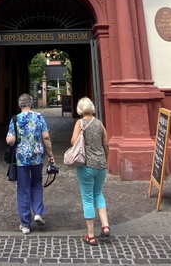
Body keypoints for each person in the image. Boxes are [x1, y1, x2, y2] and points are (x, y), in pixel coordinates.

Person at [6, 93, 55, 234]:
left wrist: (13, 140)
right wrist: (50, 155)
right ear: (31, 103)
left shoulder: (15, 119)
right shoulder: (39, 117)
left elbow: (10, 140)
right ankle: (38, 212)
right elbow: (45, 137)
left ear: (19, 104)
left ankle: (26, 224)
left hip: (22, 157)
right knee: (37, 183)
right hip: (37, 156)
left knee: (23, 188)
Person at [71, 96, 110, 246]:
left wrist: (81, 135)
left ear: (80, 109)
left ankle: (91, 235)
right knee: (98, 194)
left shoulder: (80, 123)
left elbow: (73, 142)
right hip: (100, 165)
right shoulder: (99, 123)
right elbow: (106, 143)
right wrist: (106, 159)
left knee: (87, 198)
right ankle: (105, 226)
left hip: (86, 165)